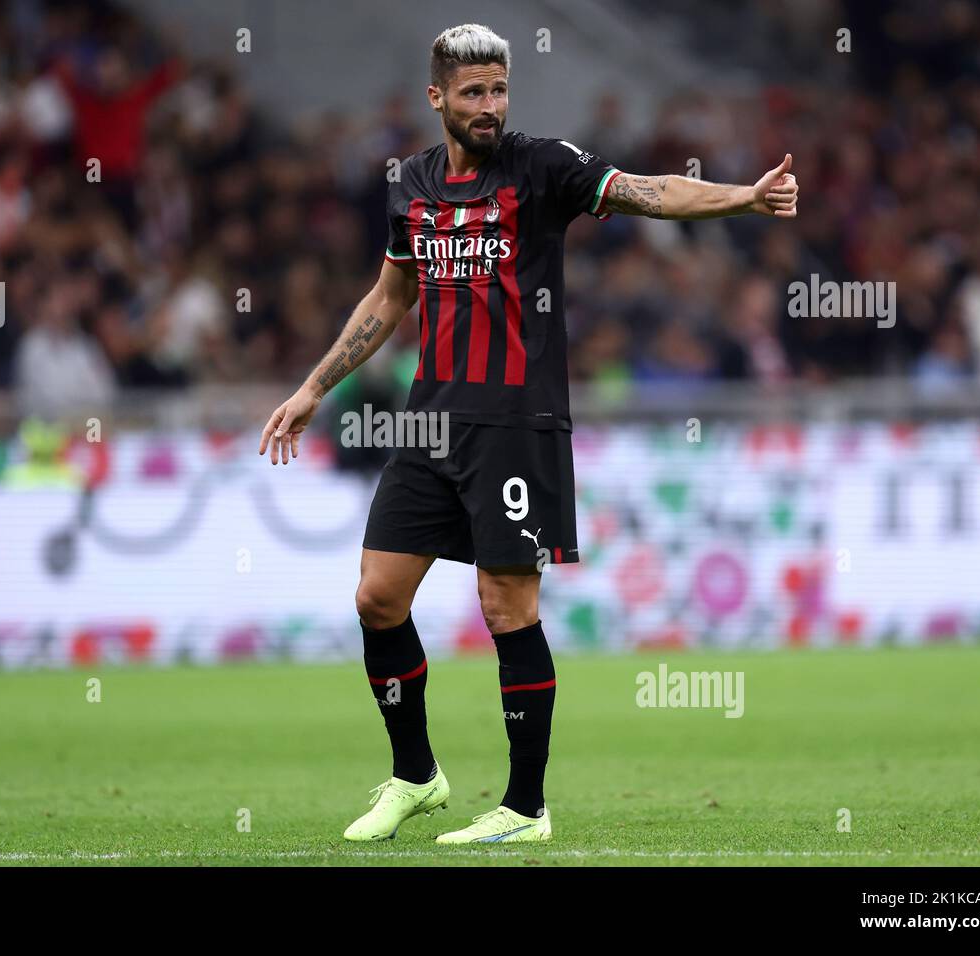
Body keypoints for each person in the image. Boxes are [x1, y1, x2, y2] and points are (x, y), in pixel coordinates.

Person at [258, 23, 798, 844]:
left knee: (506, 605)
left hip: (515, 419)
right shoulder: (410, 182)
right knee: (376, 596)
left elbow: (647, 190)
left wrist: (742, 197)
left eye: (499, 90)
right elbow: (388, 298)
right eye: (472, 92)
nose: (489, 106)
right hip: (431, 420)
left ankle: (525, 808)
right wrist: (311, 387)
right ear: (437, 96)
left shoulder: (542, 167)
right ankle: (415, 776)